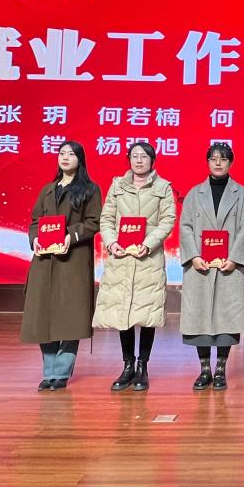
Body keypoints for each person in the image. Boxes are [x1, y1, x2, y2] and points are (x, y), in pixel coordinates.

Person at [93, 142, 177, 392]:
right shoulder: (117, 185)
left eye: (144, 156)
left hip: (147, 259)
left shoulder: (163, 187)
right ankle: (127, 365)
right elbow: (106, 218)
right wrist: (112, 242)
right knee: (124, 313)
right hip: (121, 258)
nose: (139, 160)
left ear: (153, 160)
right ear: (129, 159)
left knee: (147, 314)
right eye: (134, 156)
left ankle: (143, 366)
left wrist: (148, 244)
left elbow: (168, 220)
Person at [21, 141, 101, 392]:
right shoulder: (48, 189)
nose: (65, 157)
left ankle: (61, 373)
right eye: (62, 153)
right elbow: (35, 221)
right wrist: (35, 239)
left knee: (70, 317)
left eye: (71, 154)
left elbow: (94, 222)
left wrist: (71, 235)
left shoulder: (90, 189)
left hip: (72, 262)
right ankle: (48, 372)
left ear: (80, 159)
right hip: (44, 262)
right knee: (43, 316)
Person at [179, 143, 244, 391]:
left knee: (226, 318)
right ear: (207, 162)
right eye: (213, 158)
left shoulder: (241, 194)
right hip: (200, 265)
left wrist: (235, 258)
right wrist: (193, 256)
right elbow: (185, 227)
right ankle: (204, 370)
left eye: (223, 159)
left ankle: (220, 369)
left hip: (228, 266)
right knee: (199, 317)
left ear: (231, 162)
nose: (218, 163)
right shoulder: (194, 194)